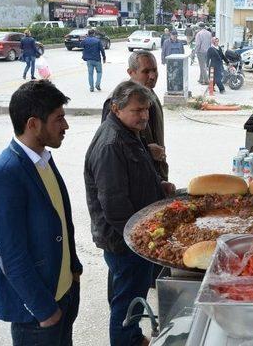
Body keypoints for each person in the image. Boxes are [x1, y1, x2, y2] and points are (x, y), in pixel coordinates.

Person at [0, 80, 82, 346]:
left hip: (64, 293)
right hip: (39, 314)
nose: (66, 126)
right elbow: (9, 254)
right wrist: (44, 310)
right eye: (58, 118)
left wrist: (73, 269)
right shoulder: (5, 173)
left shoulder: (43, 159)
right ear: (33, 124)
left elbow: (61, 221)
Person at [85, 81, 176, 346]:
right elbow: (114, 206)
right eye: (138, 110)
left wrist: (158, 185)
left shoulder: (129, 133)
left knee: (134, 293)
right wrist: (144, 241)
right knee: (126, 300)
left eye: (146, 110)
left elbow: (133, 177)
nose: (145, 116)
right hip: (125, 241)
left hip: (135, 233)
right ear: (116, 108)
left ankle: (134, 337)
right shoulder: (111, 144)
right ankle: (126, 341)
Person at [102, 50, 169, 181]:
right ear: (131, 72)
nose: (152, 76)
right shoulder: (117, 102)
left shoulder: (149, 94)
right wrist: (147, 152)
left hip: (155, 174)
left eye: (155, 70)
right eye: (146, 71)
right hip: (136, 181)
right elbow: (113, 150)